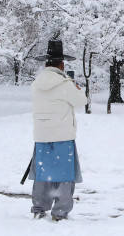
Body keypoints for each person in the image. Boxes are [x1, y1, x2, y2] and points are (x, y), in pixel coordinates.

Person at [29, 40, 87, 221]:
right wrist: (75, 86)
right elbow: (81, 101)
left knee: (42, 174)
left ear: (46, 64)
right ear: (61, 65)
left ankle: (39, 207)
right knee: (64, 174)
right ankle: (60, 212)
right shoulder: (65, 84)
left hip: (42, 135)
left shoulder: (35, 84)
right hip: (62, 135)